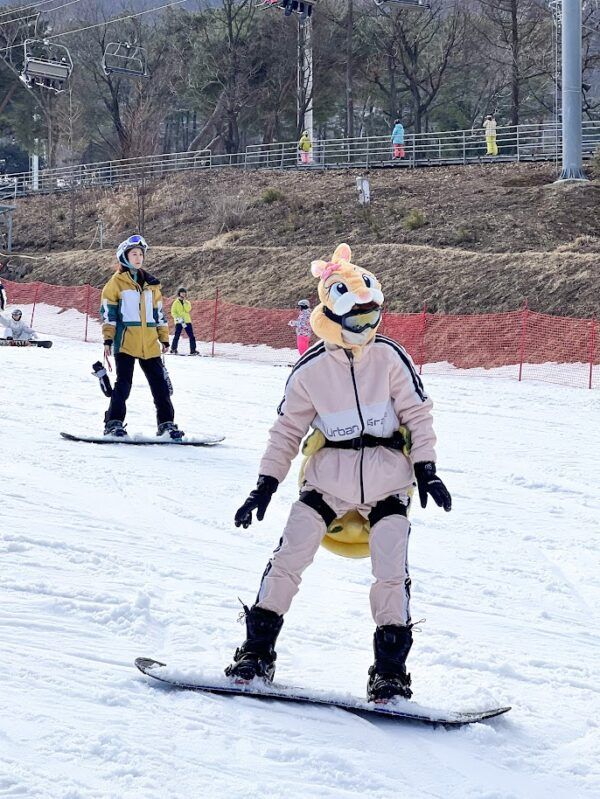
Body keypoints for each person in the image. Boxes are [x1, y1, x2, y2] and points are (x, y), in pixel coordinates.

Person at [226, 243, 452, 703]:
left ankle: (390, 671)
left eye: (374, 318)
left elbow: (418, 415)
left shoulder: (390, 359)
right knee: (290, 554)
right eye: (358, 321)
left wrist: (426, 468)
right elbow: (287, 430)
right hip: (328, 482)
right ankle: (256, 651)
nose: (369, 329)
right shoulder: (309, 371)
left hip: (388, 482)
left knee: (391, 569)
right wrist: (264, 485)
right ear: (334, 318)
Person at [100, 234, 184, 439]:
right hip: (126, 341)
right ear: (124, 257)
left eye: (140, 254)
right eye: (134, 254)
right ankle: (113, 423)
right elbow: (108, 313)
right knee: (124, 384)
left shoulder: (152, 285)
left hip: (149, 343)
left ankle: (166, 424)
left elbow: (159, 313)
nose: (138, 258)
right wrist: (108, 339)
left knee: (160, 386)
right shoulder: (116, 284)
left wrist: (164, 337)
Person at [170, 287, 198, 355]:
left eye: (184, 293)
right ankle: (173, 349)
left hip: (187, 321)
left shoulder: (187, 302)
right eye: (182, 292)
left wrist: (185, 302)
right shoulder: (175, 303)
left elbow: (187, 310)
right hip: (179, 321)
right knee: (177, 335)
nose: (184, 294)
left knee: (191, 336)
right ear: (179, 293)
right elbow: (173, 312)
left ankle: (193, 350)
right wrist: (177, 318)